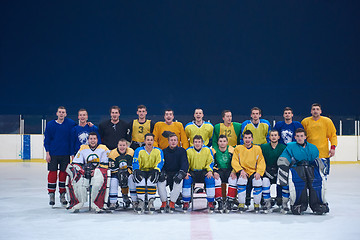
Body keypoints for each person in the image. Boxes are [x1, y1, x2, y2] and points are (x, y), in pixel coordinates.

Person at [277, 128, 329, 215]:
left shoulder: (312, 147)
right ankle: (298, 204)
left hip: (311, 168)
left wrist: (321, 164)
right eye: (297, 136)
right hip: (297, 168)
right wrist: (283, 164)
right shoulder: (290, 146)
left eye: (301, 136)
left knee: (316, 183)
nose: (300, 138)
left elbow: (316, 159)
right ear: (295, 137)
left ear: (305, 137)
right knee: (298, 184)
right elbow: (284, 157)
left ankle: (317, 204)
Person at [65, 132, 110, 213]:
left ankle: (96, 204)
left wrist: (96, 170)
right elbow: (76, 163)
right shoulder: (83, 148)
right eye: (91, 139)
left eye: (94, 139)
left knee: (97, 181)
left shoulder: (104, 148)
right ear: (88, 140)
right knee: (77, 180)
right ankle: (78, 202)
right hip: (85, 172)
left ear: (97, 140)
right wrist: (83, 171)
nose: (92, 141)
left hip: (98, 171)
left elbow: (105, 164)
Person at [44, 106, 76, 206]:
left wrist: (89, 124)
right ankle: (51, 194)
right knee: (52, 174)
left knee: (63, 175)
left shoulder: (70, 123)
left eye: (63, 112)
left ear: (65, 114)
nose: (61, 114)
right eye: (60, 112)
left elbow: (79, 126)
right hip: (53, 154)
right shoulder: (50, 125)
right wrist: (47, 153)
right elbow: (47, 140)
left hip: (65, 154)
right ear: (57, 113)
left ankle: (62, 195)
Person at [231, 130, 266, 213]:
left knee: (257, 181)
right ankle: (241, 204)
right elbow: (234, 161)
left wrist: (259, 172)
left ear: (252, 139)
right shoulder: (238, 148)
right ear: (243, 139)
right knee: (241, 180)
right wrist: (240, 170)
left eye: (249, 138)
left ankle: (257, 204)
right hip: (243, 171)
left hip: (253, 172)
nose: (247, 140)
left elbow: (261, 162)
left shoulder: (257, 149)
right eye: (245, 138)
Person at [301, 103, 337, 176]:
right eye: (313, 109)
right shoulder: (305, 121)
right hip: (309, 155)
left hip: (323, 155)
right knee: (309, 177)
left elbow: (333, 135)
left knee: (323, 177)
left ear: (321, 111)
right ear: (311, 111)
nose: (315, 111)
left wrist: (333, 147)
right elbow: (301, 137)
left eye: (317, 109)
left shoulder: (327, 121)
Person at [132, 133, 164, 214]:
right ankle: (141, 202)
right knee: (140, 181)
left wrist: (157, 170)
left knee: (151, 181)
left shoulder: (158, 151)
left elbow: (160, 162)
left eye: (151, 140)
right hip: (142, 171)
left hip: (152, 171)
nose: (149, 142)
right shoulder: (138, 150)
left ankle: (151, 202)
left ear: (154, 141)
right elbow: (135, 162)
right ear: (144, 141)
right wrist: (136, 170)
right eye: (148, 140)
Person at [182, 135, 215, 212]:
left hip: (203, 171)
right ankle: (186, 202)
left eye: (199, 142)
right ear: (193, 143)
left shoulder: (207, 150)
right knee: (186, 180)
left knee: (210, 179)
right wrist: (186, 172)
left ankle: (210, 202)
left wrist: (210, 171)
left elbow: (211, 161)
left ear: (202, 143)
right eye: (195, 142)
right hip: (192, 172)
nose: (197, 144)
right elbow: (186, 163)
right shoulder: (188, 151)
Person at [158, 133, 189, 213]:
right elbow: (161, 163)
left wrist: (182, 173)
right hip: (167, 173)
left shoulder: (182, 151)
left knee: (178, 182)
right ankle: (164, 202)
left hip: (177, 173)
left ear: (178, 141)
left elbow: (185, 163)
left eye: (175, 140)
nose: (173, 142)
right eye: (171, 140)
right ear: (168, 142)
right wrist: (162, 172)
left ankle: (172, 203)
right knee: (160, 182)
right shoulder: (163, 151)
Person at [260, 129, 287, 213]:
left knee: (283, 182)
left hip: (279, 171)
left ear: (279, 137)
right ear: (269, 137)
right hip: (267, 171)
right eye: (272, 135)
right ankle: (267, 202)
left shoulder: (283, 147)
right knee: (265, 181)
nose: (274, 137)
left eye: (275, 135)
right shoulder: (263, 147)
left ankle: (283, 202)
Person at [108, 138, 134, 210]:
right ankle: (113, 202)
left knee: (131, 179)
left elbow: (131, 166)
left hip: (127, 172)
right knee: (113, 182)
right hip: (116, 173)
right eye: (120, 145)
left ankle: (134, 201)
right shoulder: (113, 153)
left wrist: (126, 173)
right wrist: (119, 173)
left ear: (127, 146)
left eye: (123, 145)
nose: (122, 147)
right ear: (117, 146)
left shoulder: (131, 152)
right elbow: (112, 169)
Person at [212, 135, 236, 213]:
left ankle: (229, 201)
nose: (222, 143)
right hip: (219, 170)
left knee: (233, 179)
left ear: (227, 142)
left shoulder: (231, 150)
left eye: (224, 141)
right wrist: (214, 172)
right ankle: (220, 202)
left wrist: (234, 171)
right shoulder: (213, 150)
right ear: (218, 142)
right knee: (216, 180)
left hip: (229, 170)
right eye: (220, 141)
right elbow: (210, 163)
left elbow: (235, 162)